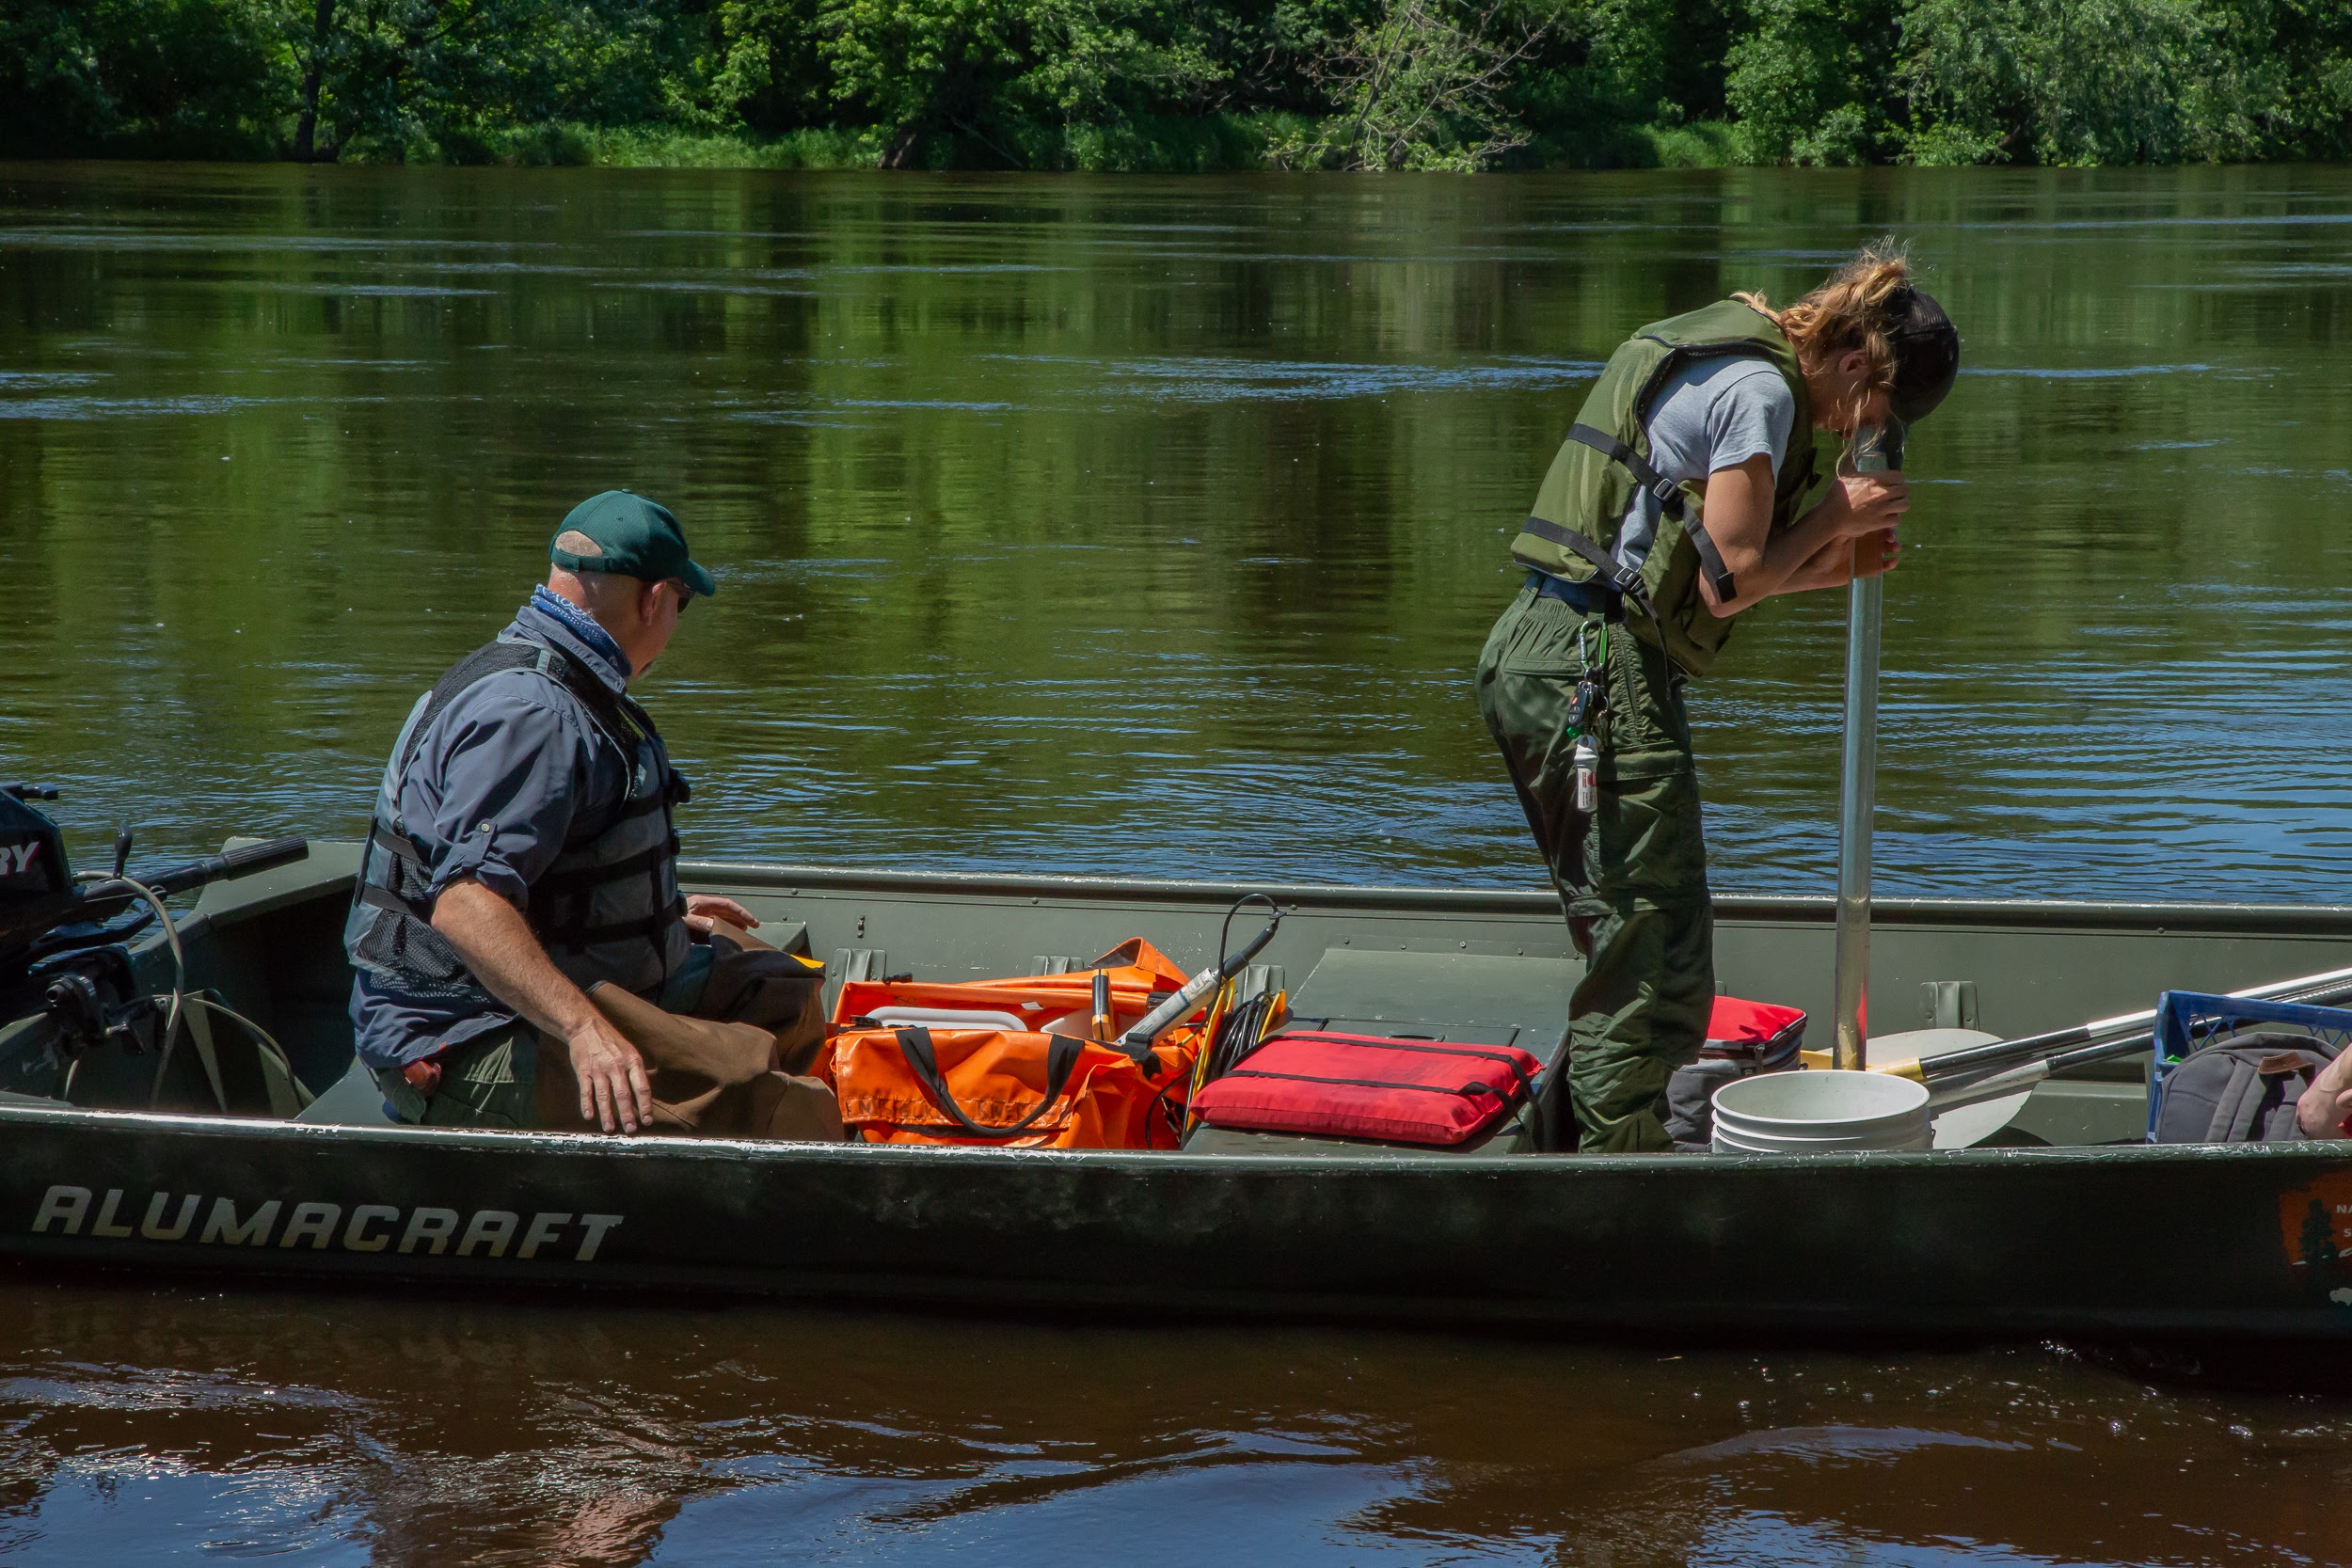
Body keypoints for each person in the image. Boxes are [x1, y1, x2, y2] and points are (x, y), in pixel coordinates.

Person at [1477, 246, 1960, 1153]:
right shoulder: (1766, 393)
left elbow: (1709, 580)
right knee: (1653, 954)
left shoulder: (1745, 357)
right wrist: (1839, 517)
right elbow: (1737, 578)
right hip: (1593, 663)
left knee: (1641, 940)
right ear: (1857, 365)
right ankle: (1615, 1186)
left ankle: (1562, 1157)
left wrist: (1831, 565)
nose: (1859, 432)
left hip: (1556, 650)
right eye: (1876, 414)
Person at [342, 489, 833, 1135]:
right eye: (681, 605)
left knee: (782, 993)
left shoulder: (568, 678)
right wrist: (584, 1029)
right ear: (655, 599)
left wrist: (647, 915)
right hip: (469, 1039)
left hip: (531, 995)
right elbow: (465, 904)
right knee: (778, 1102)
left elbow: (546, 869)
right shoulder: (533, 714)